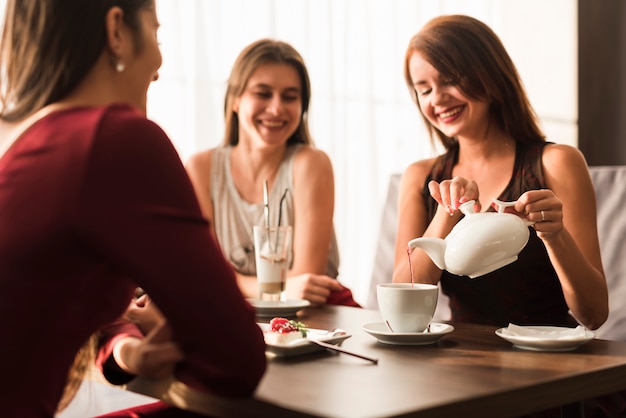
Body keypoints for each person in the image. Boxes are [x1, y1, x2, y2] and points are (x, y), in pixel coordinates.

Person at [0, 1, 266, 417]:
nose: (159, 66)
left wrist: (129, 347)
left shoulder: (23, 140)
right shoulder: (113, 140)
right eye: (156, 34)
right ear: (117, 30)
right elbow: (235, 359)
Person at [393, 14, 621, 417]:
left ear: (489, 74)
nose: (437, 98)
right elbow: (402, 306)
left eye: (449, 79)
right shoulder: (421, 177)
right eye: (423, 88)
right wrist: (447, 213)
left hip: (548, 375)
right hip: (456, 373)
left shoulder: (556, 163)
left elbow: (594, 314)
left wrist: (555, 235)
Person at [185, 39, 359, 307]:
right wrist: (280, 287)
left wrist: (234, 283)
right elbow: (203, 274)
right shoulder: (201, 168)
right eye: (263, 93)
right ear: (235, 99)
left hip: (315, 317)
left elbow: (306, 280)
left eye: (290, 97)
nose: (277, 108)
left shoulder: (311, 163)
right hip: (233, 311)